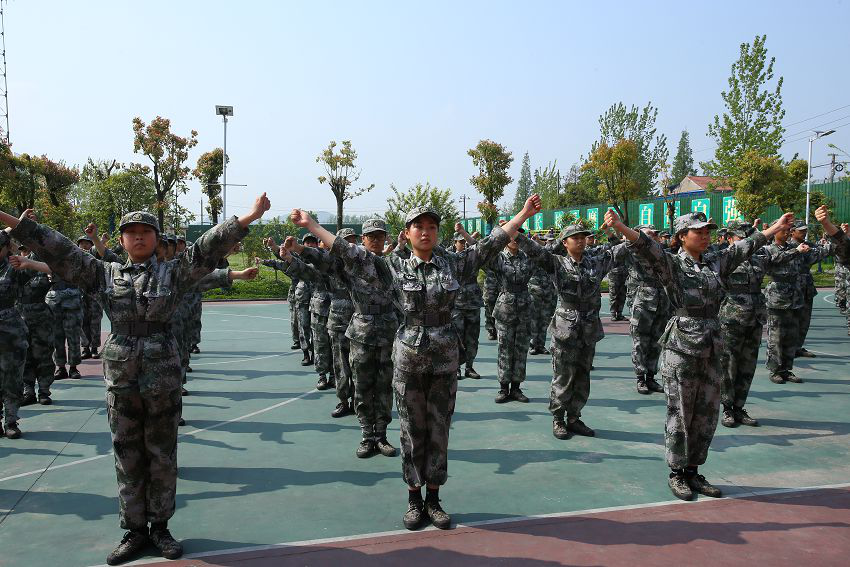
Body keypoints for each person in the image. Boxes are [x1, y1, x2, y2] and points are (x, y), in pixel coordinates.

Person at [2, 194, 269, 565]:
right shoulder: (102, 273)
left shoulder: (174, 272)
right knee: (126, 452)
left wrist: (250, 216)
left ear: (156, 239)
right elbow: (58, 248)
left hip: (162, 373)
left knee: (162, 452)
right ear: (123, 239)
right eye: (131, 232)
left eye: (146, 232)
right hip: (122, 375)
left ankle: (160, 527)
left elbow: (207, 249)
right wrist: (9, 218)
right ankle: (134, 530)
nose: (139, 237)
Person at [290, 195, 541, 531]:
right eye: (418, 227)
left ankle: (434, 499)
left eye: (431, 227)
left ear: (437, 233)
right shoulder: (391, 267)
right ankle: (413, 499)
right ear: (406, 233)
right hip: (408, 361)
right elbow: (349, 252)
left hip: (444, 362)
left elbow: (490, 244)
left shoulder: (453, 264)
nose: (426, 232)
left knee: (439, 431)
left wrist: (523, 213)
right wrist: (312, 226)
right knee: (411, 431)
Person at [605, 208, 793, 502]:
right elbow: (645, 245)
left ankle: (694, 469)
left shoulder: (716, 261)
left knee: (707, 413)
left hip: (711, 345)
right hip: (682, 345)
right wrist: (621, 227)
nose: (706, 236)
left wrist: (776, 227)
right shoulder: (671, 264)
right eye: (699, 232)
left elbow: (748, 245)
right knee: (680, 412)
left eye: (708, 232)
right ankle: (677, 473)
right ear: (682, 237)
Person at [516, 223, 628, 440]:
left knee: (582, 375)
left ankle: (575, 417)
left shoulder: (595, 262)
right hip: (565, 327)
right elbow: (534, 251)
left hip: (588, 327)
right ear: (564, 242)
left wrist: (615, 228)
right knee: (563, 375)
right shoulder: (556, 263)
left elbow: (622, 249)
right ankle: (558, 418)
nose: (580, 240)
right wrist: (514, 231)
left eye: (583, 237)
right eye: (574, 237)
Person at [719, 220, 806, 428]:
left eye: (750, 237)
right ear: (730, 238)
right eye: (742, 238)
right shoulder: (723, 259)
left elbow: (781, 256)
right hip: (731, 319)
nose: (748, 242)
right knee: (729, 365)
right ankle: (727, 408)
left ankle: (740, 407)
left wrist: (798, 250)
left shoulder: (761, 256)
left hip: (755, 318)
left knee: (747, 366)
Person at [763, 220, 832, 384]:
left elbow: (821, 253)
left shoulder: (794, 248)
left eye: (788, 230)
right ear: (775, 232)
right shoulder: (768, 249)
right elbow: (775, 260)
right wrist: (796, 251)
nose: (787, 233)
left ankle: (786, 369)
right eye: (784, 230)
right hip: (777, 298)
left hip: (795, 297)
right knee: (776, 337)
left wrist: (834, 235)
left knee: (791, 336)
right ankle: (775, 370)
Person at [488, 225, 534, 403]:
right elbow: (482, 253)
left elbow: (548, 252)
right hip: (505, 308)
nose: (515, 239)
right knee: (504, 349)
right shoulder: (498, 258)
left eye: (518, 236)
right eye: (512, 236)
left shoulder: (528, 258)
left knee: (521, 350)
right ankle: (503, 388)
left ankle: (516, 388)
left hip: (523, 308)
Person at [625, 225, 670, 395]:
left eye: (655, 234)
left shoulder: (663, 253)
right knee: (640, 341)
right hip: (644, 300)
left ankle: (651, 377)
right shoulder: (635, 252)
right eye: (649, 234)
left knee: (657, 341)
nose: (654, 236)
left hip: (662, 300)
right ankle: (640, 378)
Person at [17, 243, 56, 407]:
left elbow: (57, 271)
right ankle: (28, 391)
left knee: (44, 355)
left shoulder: (43, 270)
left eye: (28, 249)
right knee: (24, 356)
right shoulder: (14, 272)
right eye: (23, 250)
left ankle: (44, 391)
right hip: (20, 317)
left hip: (41, 317)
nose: (26, 253)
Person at [0, 230, 31, 438]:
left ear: (5, 248)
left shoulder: (14, 267)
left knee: (12, 378)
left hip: (11, 331)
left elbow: (51, 270)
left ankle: (11, 421)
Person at [789, 221, 831, 358]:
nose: (804, 232)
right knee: (791, 322)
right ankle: (788, 349)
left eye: (805, 230)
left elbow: (823, 250)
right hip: (792, 290)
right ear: (792, 231)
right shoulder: (789, 247)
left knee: (804, 321)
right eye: (801, 230)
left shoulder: (809, 245)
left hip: (806, 288)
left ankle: (798, 347)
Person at [447, 230, 484, 378]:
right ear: (455, 243)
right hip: (457, 304)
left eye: (465, 241)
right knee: (457, 337)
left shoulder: (474, 256)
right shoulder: (450, 258)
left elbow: (478, 246)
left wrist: (469, 237)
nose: (463, 244)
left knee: (472, 337)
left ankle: (470, 367)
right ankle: (456, 367)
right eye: (460, 241)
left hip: (473, 303)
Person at [528, 233, 558, 354]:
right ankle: (532, 344)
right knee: (534, 319)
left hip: (549, 291)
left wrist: (542, 242)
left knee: (545, 319)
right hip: (534, 290)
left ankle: (540, 344)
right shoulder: (531, 254)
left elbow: (551, 248)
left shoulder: (551, 254)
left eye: (545, 241)